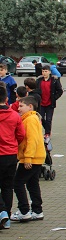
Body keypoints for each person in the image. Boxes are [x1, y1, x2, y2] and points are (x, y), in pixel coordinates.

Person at [10, 96, 45, 222]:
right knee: (32, 183)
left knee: (18, 182)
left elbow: (32, 140)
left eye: (21, 106)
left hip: (31, 158)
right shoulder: (31, 118)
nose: (18, 109)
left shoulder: (30, 119)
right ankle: (37, 210)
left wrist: (28, 157)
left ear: (30, 106)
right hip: (36, 157)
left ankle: (24, 210)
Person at [0, 82, 25, 229]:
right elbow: (21, 135)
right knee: (7, 186)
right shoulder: (15, 115)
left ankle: (2, 211)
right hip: (10, 154)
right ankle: (7, 216)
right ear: (6, 99)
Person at [36, 65, 63, 137]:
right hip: (41, 104)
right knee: (41, 118)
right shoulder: (39, 80)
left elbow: (60, 91)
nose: (44, 73)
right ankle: (45, 130)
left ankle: (47, 133)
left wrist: (54, 98)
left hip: (50, 104)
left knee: (48, 119)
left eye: (46, 71)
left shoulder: (54, 80)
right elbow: (36, 90)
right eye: (43, 71)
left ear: (49, 72)